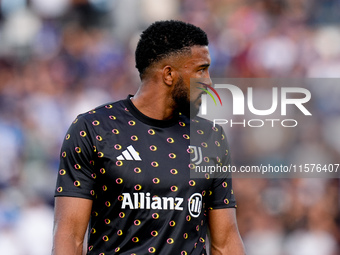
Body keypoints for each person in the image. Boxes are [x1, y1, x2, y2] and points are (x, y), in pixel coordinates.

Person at [52, 20, 246, 255]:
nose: (208, 82)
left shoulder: (210, 138)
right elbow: (69, 236)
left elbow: (225, 242)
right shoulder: (92, 129)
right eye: (200, 70)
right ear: (168, 74)